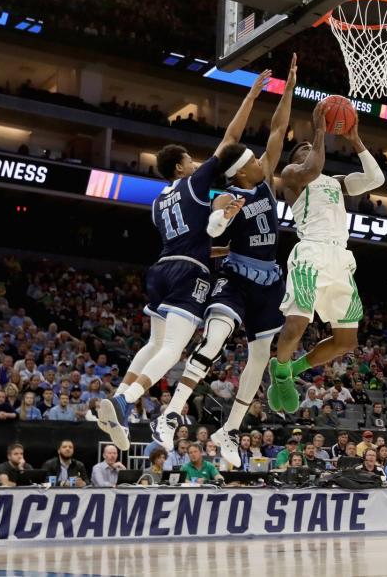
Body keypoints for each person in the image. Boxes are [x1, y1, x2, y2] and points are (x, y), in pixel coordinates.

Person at [98, 70, 274, 450]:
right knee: (173, 350)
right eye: (191, 161)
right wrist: (251, 96)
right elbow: (230, 140)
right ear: (179, 167)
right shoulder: (194, 183)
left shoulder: (158, 201)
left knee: (153, 342)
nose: (197, 164)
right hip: (187, 273)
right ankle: (124, 402)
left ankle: (120, 400)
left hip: (160, 268)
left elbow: (191, 237)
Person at [155, 56, 297, 467]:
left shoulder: (266, 179)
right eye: (253, 159)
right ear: (240, 172)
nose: (260, 160)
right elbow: (213, 234)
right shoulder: (227, 196)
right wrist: (221, 224)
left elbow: (276, 130)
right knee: (214, 340)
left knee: (259, 357)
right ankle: (173, 410)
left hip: (269, 279)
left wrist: (288, 88)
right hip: (235, 275)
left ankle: (230, 429)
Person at [267, 100, 385, 413]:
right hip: (312, 252)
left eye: (311, 144)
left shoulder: (335, 182)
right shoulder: (293, 174)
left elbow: (376, 180)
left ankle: (290, 371)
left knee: (347, 341)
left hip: (340, 259)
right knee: (296, 325)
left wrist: (356, 140)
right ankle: (280, 371)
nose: (309, 146)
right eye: (303, 146)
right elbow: (312, 167)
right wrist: (319, 131)